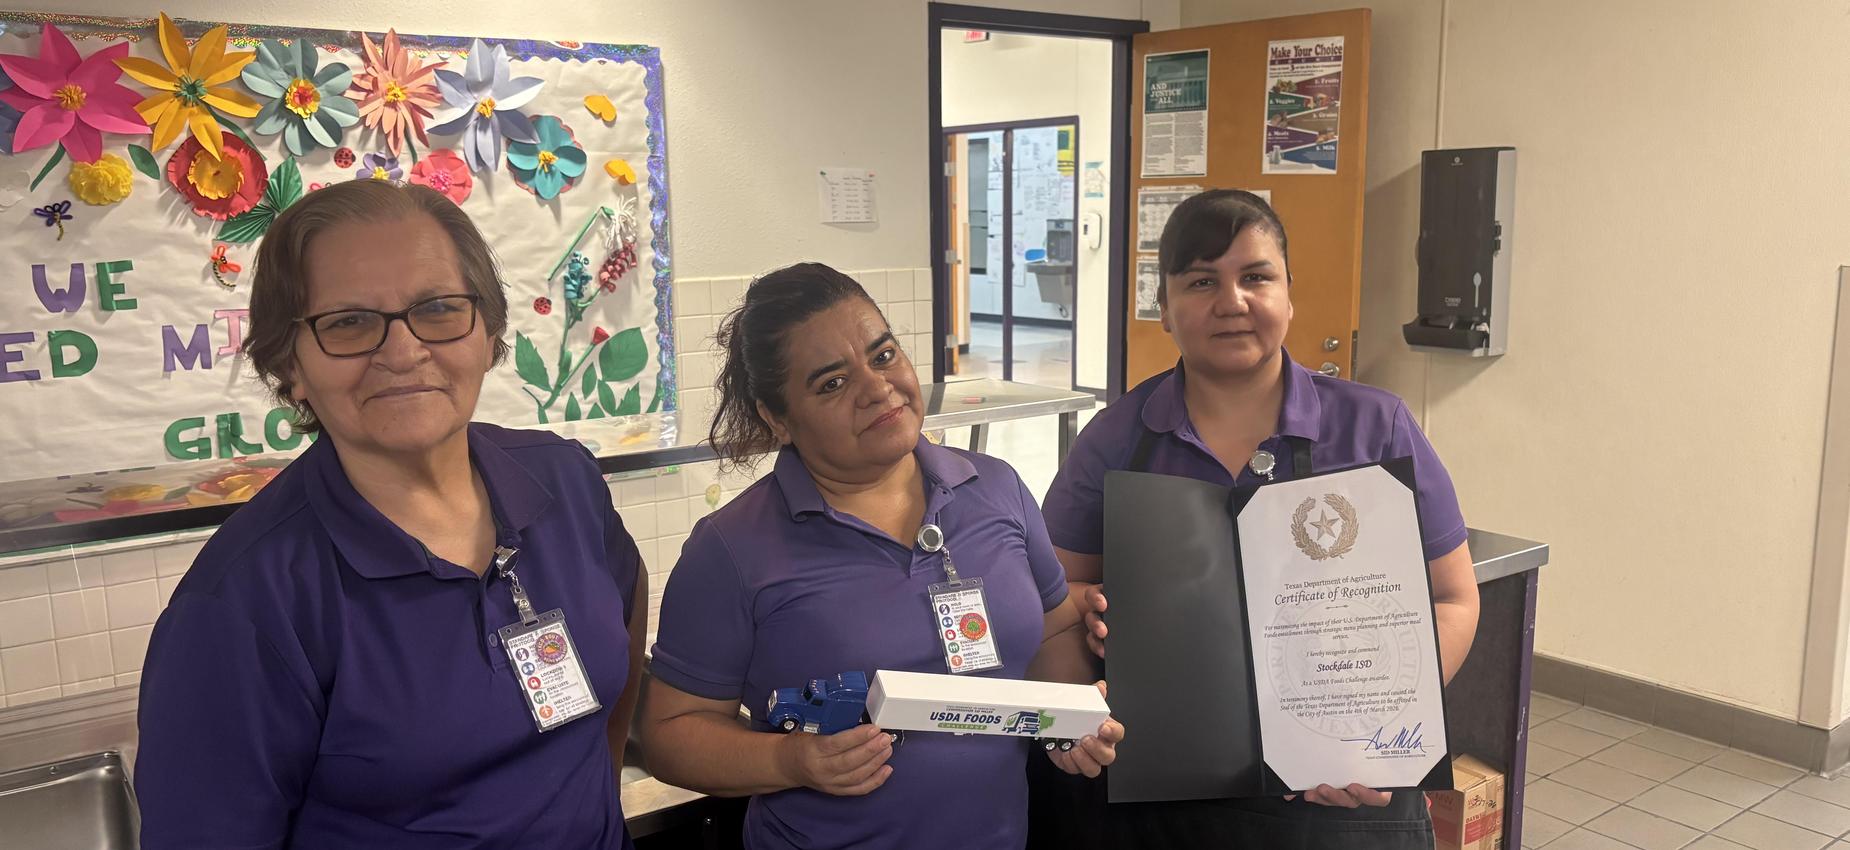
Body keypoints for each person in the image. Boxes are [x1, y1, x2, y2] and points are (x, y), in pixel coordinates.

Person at [134, 181, 647, 849]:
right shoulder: (243, 603)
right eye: (347, 322)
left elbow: (625, 617)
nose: (403, 353)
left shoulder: (564, 479)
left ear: (487, 333)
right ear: (290, 366)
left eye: (438, 309)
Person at [1031, 189, 1480, 849]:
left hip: (1336, 797)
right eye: (1201, 281)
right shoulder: (1115, 440)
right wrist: (1087, 626)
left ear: (1289, 295)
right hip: (1158, 792)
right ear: (1164, 308)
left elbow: (1452, 597)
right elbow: (1051, 606)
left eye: (1256, 277)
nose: (1232, 301)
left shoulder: (1375, 427)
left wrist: (1372, 731)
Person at [641, 262, 1122, 849]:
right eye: (832, 384)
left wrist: (1065, 722)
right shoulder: (732, 548)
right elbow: (670, 735)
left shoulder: (997, 488)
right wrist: (791, 761)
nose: (876, 388)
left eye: (884, 355)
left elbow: (1051, 633)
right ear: (777, 418)